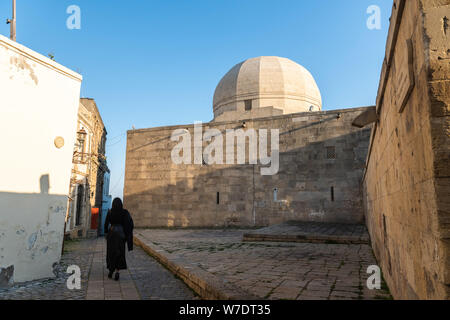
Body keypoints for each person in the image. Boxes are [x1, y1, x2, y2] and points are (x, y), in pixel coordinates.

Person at [104, 198, 134, 281]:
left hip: (111, 234)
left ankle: (111, 270)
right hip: (121, 235)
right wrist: (127, 235)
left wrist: (106, 233)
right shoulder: (125, 212)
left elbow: (106, 224)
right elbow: (130, 224)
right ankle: (117, 271)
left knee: (111, 253)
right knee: (120, 253)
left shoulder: (110, 212)